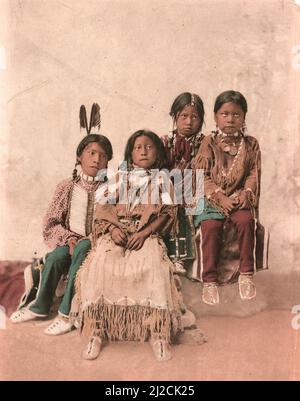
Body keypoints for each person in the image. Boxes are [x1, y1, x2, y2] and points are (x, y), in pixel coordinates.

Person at [71, 130, 182, 361]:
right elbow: (102, 210)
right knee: (101, 262)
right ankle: (98, 330)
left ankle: (158, 332)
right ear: (130, 152)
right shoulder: (117, 178)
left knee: (153, 264)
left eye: (149, 147)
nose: (143, 151)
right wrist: (112, 229)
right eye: (138, 147)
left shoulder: (162, 179)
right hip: (116, 233)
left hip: (146, 235)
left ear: (157, 152)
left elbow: (168, 213)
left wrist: (144, 233)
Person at [10, 105, 113, 334]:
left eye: (103, 155)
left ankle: (67, 313)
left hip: (96, 243)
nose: (97, 159)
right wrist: (68, 238)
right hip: (71, 241)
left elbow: (113, 221)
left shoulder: (110, 189)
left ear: (108, 162)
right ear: (79, 156)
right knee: (56, 257)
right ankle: (40, 305)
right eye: (91, 153)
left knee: (83, 249)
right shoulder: (67, 187)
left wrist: (89, 239)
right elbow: (52, 222)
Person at [192, 90, 261, 306]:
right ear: (215, 117)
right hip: (213, 199)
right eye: (225, 114)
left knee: (245, 221)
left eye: (236, 115)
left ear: (244, 117)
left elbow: (253, 173)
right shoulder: (208, 142)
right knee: (210, 226)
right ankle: (209, 281)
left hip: (240, 198)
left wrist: (246, 193)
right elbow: (200, 175)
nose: (230, 119)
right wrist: (218, 195)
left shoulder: (251, 144)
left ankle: (246, 274)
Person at [161, 92, 205, 275]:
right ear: (174, 117)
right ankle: (165, 257)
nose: (189, 122)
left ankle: (180, 258)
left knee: (185, 206)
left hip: (197, 190)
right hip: (170, 190)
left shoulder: (206, 144)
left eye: (195, 117)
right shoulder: (164, 142)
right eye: (184, 116)